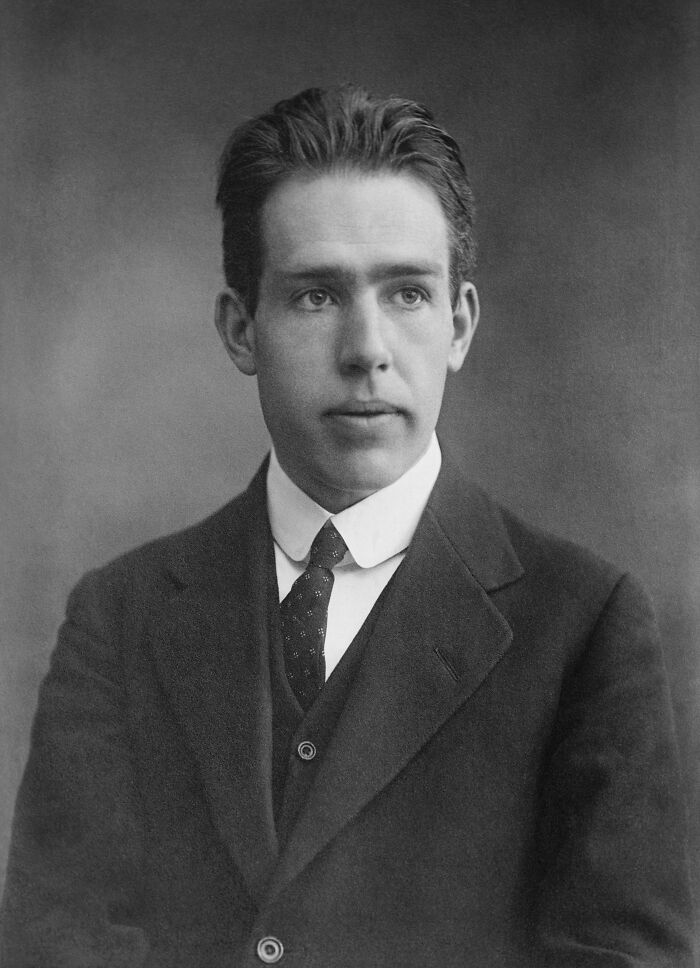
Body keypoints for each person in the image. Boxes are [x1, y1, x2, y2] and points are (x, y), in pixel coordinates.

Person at [0, 84, 695, 968]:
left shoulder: (584, 622)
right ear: (241, 328)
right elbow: (56, 944)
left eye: (407, 294)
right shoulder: (119, 616)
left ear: (459, 324)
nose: (367, 348)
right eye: (317, 296)